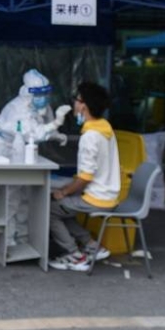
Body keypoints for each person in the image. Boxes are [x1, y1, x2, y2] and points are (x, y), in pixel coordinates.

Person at [0, 69, 72, 247]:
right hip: (4, 150)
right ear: (28, 92)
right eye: (39, 94)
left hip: (21, 149)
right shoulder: (19, 108)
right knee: (8, 196)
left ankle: (22, 237)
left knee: (25, 195)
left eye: (46, 93)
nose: (44, 97)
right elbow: (33, 132)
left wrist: (56, 133)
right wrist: (56, 123)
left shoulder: (40, 105)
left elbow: (45, 125)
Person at [48, 81, 121, 272]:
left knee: (49, 210)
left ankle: (74, 255)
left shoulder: (90, 137)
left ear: (84, 105)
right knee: (62, 208)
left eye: (76, 100)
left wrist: (63, 191)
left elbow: (86, 178)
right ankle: (91, 246)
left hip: (97, 198)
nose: (73, 104)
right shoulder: (104, 127)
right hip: (108, 193)